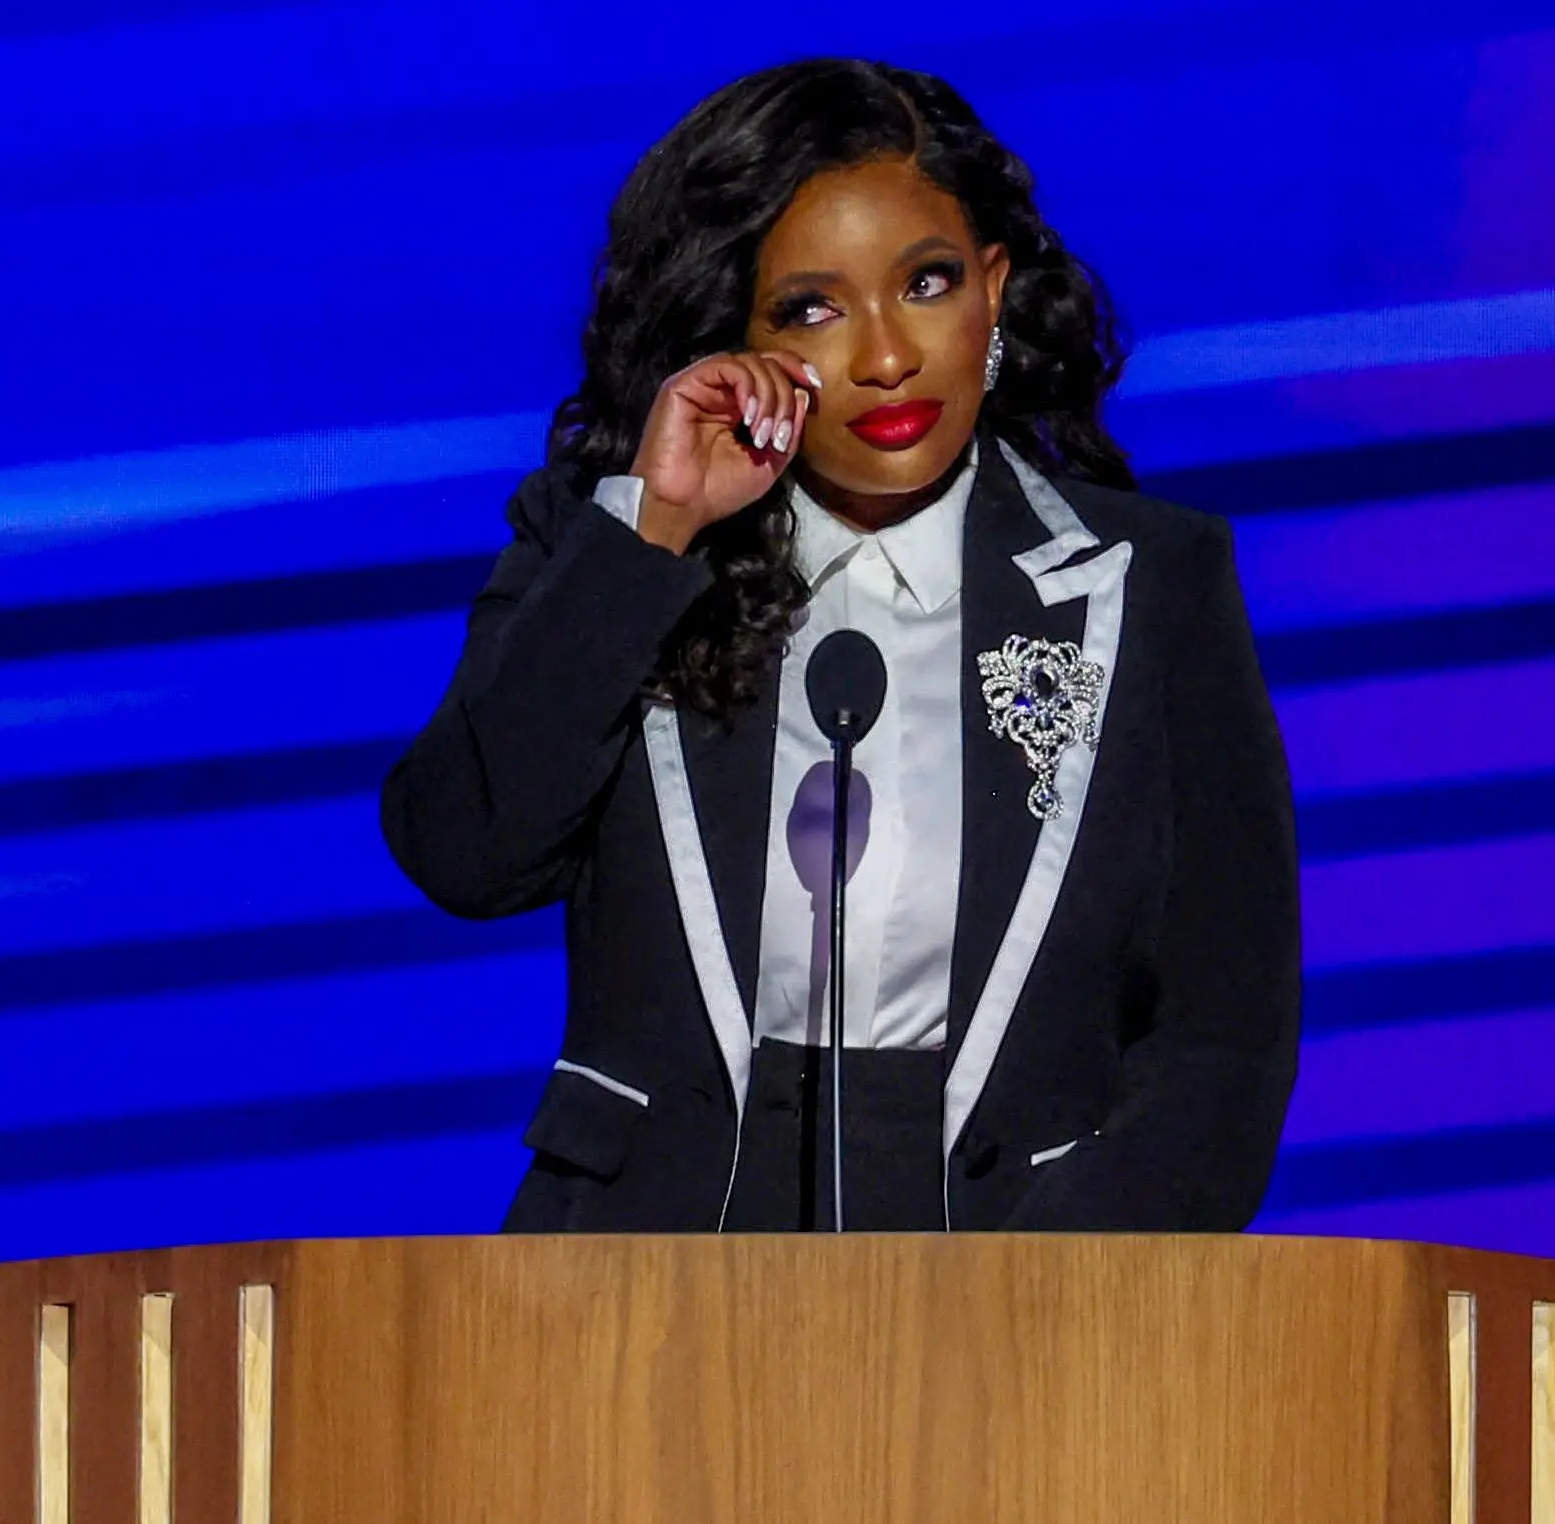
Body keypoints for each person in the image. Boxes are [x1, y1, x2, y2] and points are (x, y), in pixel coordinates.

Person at [382, 57, 1298, 1232]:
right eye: (810, 308)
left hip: (1025, 1265)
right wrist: (658, 528)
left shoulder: (1149, 581)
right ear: (730, 335)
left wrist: (1079, 1296)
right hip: (641, 1283)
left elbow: (1224, 1024)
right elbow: (462, 854)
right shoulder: (611, 548)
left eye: (926, 283)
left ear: (995, 290)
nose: (883, 358)